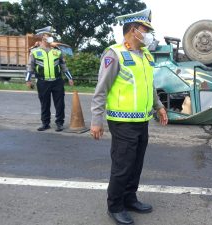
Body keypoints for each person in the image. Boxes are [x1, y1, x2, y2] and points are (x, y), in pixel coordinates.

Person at [90, 8, 168, 225]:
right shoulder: (114, 54)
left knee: (136, 164)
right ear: (134, 31)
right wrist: (96, 121)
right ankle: (115, 206)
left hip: (142, 121)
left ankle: (130, 198)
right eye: (146, 30)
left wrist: (158, 106)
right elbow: (101, 90)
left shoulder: (146, 55)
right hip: (122, 122)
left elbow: (149, 86)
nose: (150, 34)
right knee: (122, 165)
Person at [26, 26, 74, 132]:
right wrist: (28, 80)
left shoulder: (57, 51)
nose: (51, 37)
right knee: (44, 103)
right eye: (49, 35)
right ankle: (45, 123)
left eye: (51, 36)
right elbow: (30, 66)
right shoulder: (35, 51)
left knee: (60, 103)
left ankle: (59, 123)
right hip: (42, 82)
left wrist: (70, 78)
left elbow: (64, 66)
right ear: (43, 37)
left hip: (57, 81)